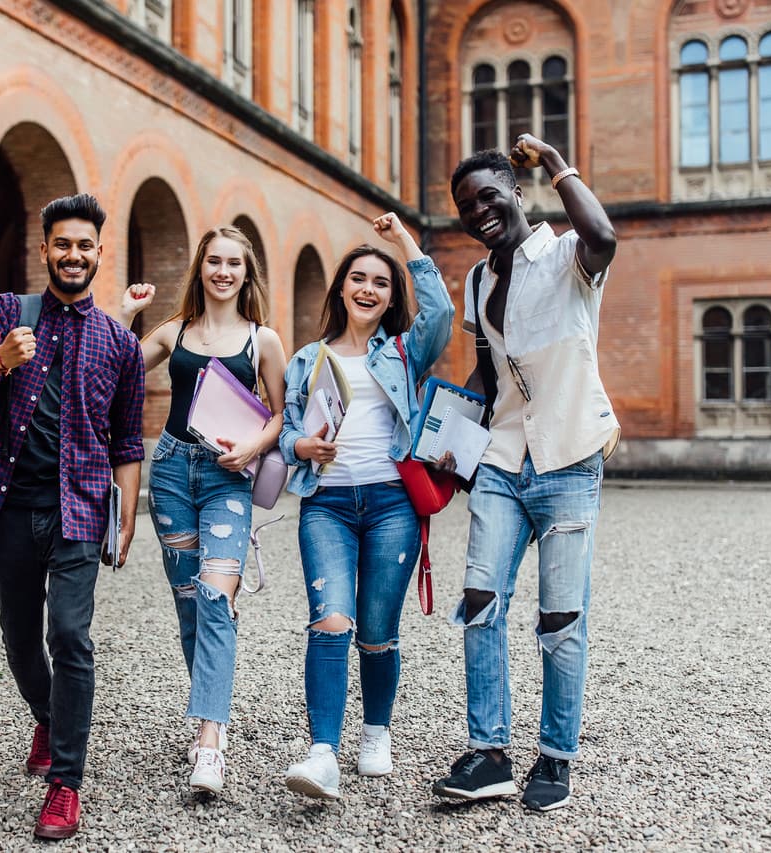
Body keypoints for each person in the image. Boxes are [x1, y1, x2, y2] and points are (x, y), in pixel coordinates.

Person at [431, 134, 620, 812]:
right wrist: (452, 436)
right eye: (465, 204)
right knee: (480, 604)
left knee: (560, 618)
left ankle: (556, 756)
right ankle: (490, 753)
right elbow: (490, 372)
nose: (478, 209)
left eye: (488, 194)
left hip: (568, 458)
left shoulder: (570, 255)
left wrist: (554, 160)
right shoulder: (478, 279)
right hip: (505, 462)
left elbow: (604, 232)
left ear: (516, 191)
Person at [0, 193, 145, 840]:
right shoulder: (8, 313)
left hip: (81, 510)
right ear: (45, 251)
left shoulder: (119, 342)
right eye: (62, 244)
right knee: (17, 636)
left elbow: (126, 440)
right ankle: (46, 712)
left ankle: (66, 781)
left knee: (70, 635)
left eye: (85, 245)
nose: (74, 255)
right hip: (10, 506)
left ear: (99, 253)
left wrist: (125, 518)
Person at [278, 213, 453, 799]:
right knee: (330, 621)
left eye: (380, 282)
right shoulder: (307, 358)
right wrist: (300, 444)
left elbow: (444, 315)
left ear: (390, 295)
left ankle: (375, 732)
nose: (368, 289)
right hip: (325, 504)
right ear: (341, 288)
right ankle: (322, 751)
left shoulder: (403, 351)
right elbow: (283, 433)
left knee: (377, 630)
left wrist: (404, 243)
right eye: (358, 278)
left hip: (390, 505)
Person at [116, 225, 287, 796]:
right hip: (170, 471)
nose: (223, 271)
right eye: (214, 261)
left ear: (246, 273)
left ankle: (209, 741)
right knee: (190, 604)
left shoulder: (262, 340)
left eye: (234, 263)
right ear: (202, 268)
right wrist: (127, 315)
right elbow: (116, 371)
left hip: (227, 477)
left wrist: (253, 449)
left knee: (216, 598)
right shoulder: (176, 332)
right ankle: (210, 707)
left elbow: (281, 415)